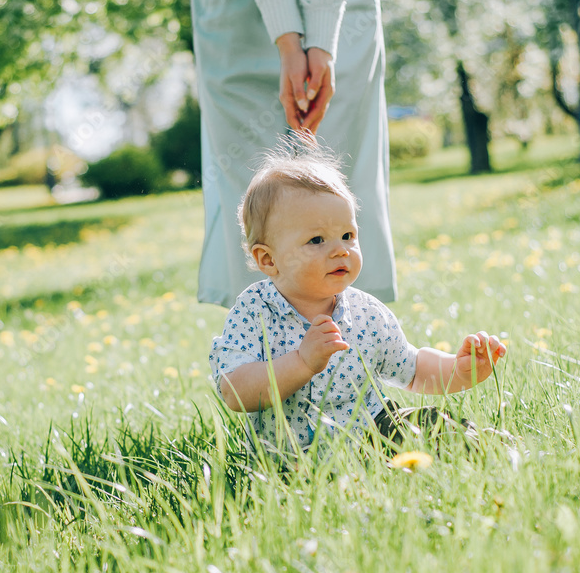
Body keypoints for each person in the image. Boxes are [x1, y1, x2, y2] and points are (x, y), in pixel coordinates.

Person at [209, 140, 506, 452]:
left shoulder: (366, 312)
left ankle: (492, 448)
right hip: (289, 454)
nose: (340, 249)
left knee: (429, 425)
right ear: (268, 260)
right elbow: (235, 391)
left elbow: (413, 368)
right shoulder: (253, 311)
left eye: (348, 235)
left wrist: (459, 371)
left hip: (372, 435)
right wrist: (301, 361)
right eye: (316, 240)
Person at [192, 0, 397, 307]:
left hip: (342, 1)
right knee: (255, 197)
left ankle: (361, 336)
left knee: (339, 184)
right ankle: (262, 343)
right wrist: (288, 41)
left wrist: (323, 42)